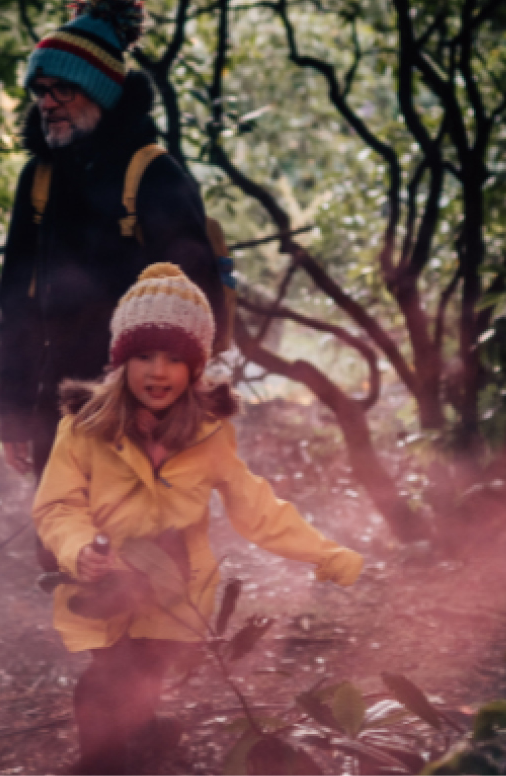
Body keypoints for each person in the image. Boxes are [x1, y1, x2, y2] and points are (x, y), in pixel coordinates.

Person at [32, 264, 365, 774]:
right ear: (121, 360)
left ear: (195, 367)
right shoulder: (84, 427)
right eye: (143, 355)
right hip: (107, 580)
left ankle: (143, 738)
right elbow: (58, 504)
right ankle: (104, 763)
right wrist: (77, 548)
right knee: (106, 680)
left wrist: (323, 552)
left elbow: (256, 507)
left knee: (143, 676)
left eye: (174, 358)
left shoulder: (209, 434)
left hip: (174, 589)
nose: (157, 371)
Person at [0, 0, 226, 485]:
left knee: (148, 551)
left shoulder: (155, 176)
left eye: (63, 89)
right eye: (40, 90)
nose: (48, 103)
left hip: (147, 405)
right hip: (57, 407)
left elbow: (199, 300)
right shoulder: (37, 181)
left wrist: (176, 411)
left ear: (99, 91)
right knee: (62, 545)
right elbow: (17, 306)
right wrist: (13, 410)